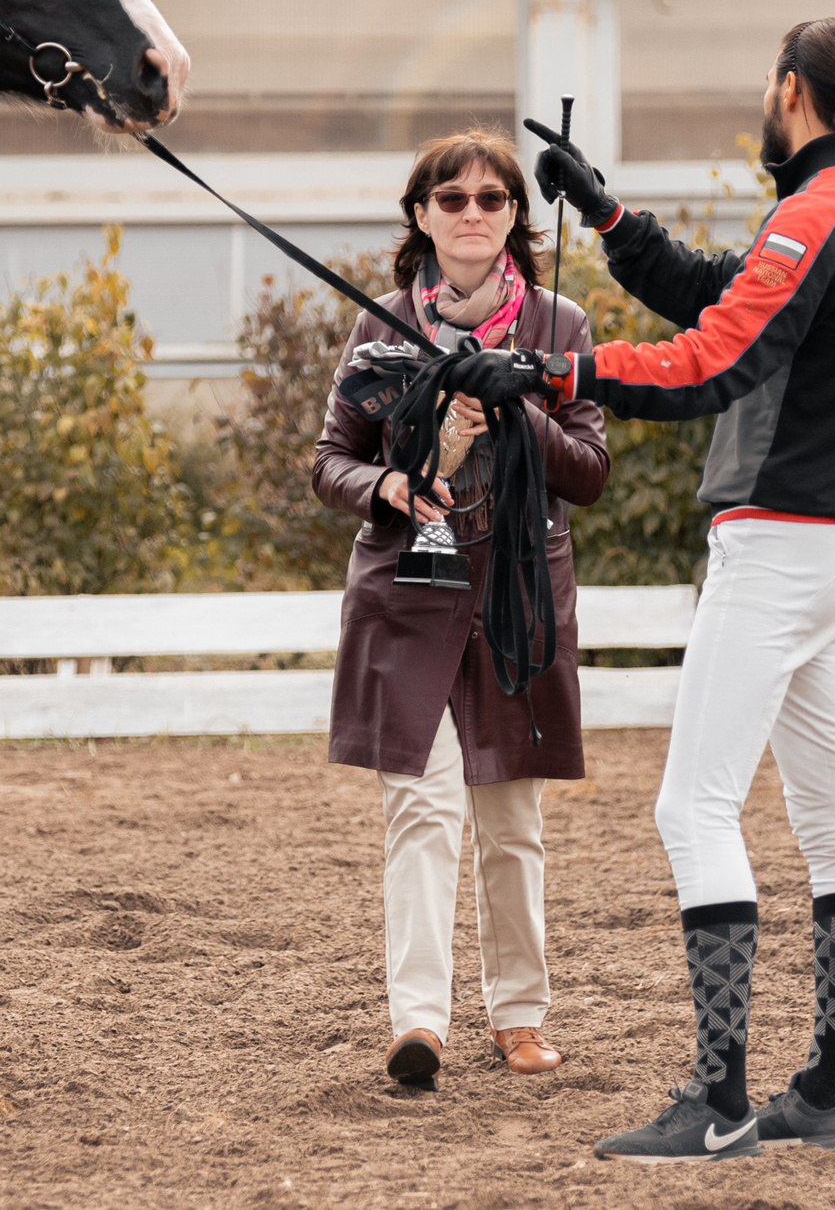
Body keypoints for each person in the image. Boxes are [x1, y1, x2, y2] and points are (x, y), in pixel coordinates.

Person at [466, 16, 835, 1162]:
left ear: (791, 90)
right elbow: (725, 294)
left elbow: (715, 358)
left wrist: (548, 367)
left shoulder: (817, 211)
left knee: (692, 808)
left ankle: (720, 1095)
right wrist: (612, 217)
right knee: (830, 818)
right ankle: (825, 1087)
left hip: (775, 548)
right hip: (830, 551)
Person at [312, 128, 609, 1091]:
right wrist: (392, 487)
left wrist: (518, 401)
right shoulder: (380, 325)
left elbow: (591, 469)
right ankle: (420, 1023)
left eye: (491, 199)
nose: (472, 213)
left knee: (512, 817)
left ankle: (520, 1018)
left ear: (519, 216)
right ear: (420, 215)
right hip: (408, 594)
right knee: (424, 806)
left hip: (520, 596)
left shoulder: (560, 324)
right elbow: (330, 461)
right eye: (452, 199)